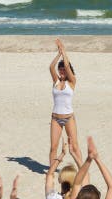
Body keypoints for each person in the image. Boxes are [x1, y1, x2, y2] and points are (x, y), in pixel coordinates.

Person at [48, 38, 82, 168]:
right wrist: (58, 54)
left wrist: (64, 52)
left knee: (74, 146)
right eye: (60, 69)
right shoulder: (56, 81)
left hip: (68, 118)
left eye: (63, 69)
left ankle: (81, 168)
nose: (61, 71)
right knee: (53, 147)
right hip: (55, 118)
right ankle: (51, 170)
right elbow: (51, 67)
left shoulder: (72, 82)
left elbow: (67, 67)